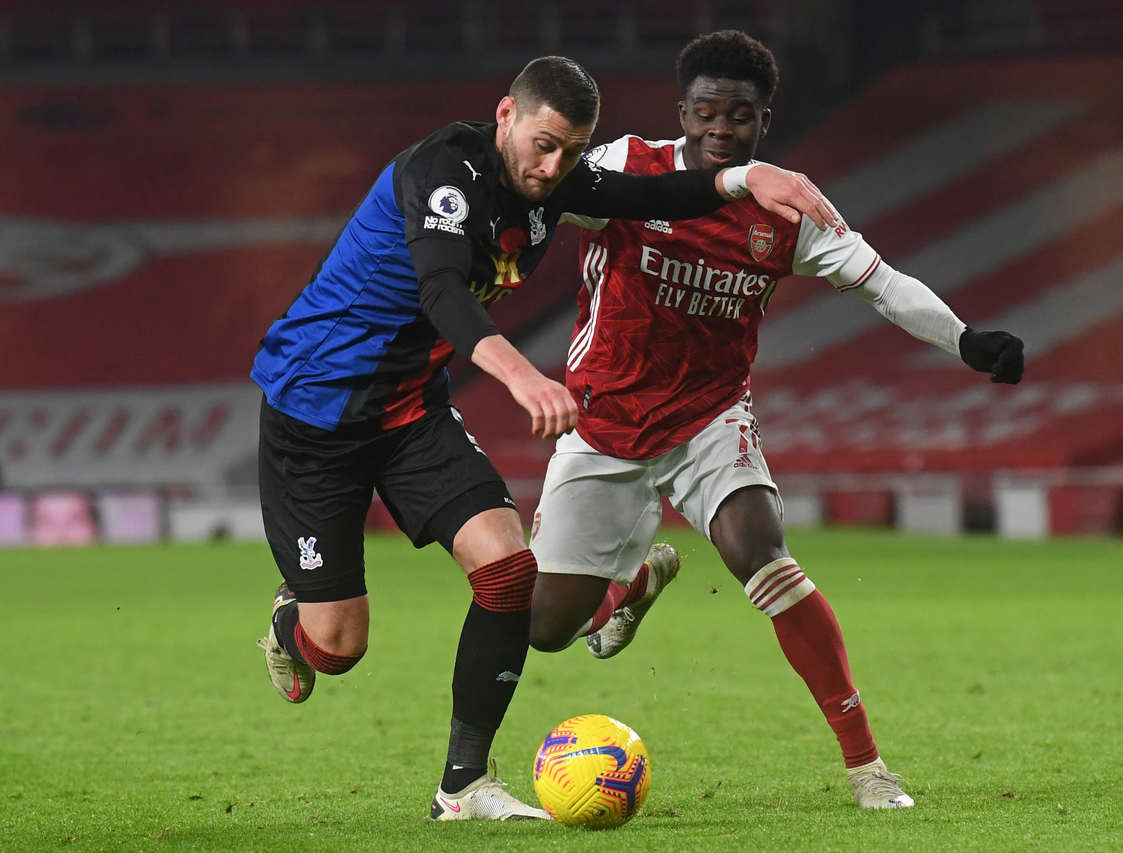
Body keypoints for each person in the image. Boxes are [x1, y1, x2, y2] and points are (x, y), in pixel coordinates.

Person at [249, 54, 836, 822]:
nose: (554, 165)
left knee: (506, 571)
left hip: (409, 410)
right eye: (544, 144)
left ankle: (462, 787)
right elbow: (442, 292)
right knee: (339, 645)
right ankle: (292, 621)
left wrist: (743, 180)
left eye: (572, 150)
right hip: (314, 411)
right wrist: (522, 377)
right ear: (506, 116)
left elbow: (649, 192)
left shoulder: (557, 182)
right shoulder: (443, 176)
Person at [525, 31, 1025, 809]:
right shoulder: (627, 169)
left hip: (708, 419)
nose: (720, 129)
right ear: (680, 111)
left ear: (766, 118)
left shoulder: (788, 210)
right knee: (544, 629)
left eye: (740, 116)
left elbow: (884, 284)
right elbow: (540, 192)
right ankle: (621, 596)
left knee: (761, 552)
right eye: (706, 112)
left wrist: (965, 339)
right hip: (602, 423)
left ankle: (868, 766)